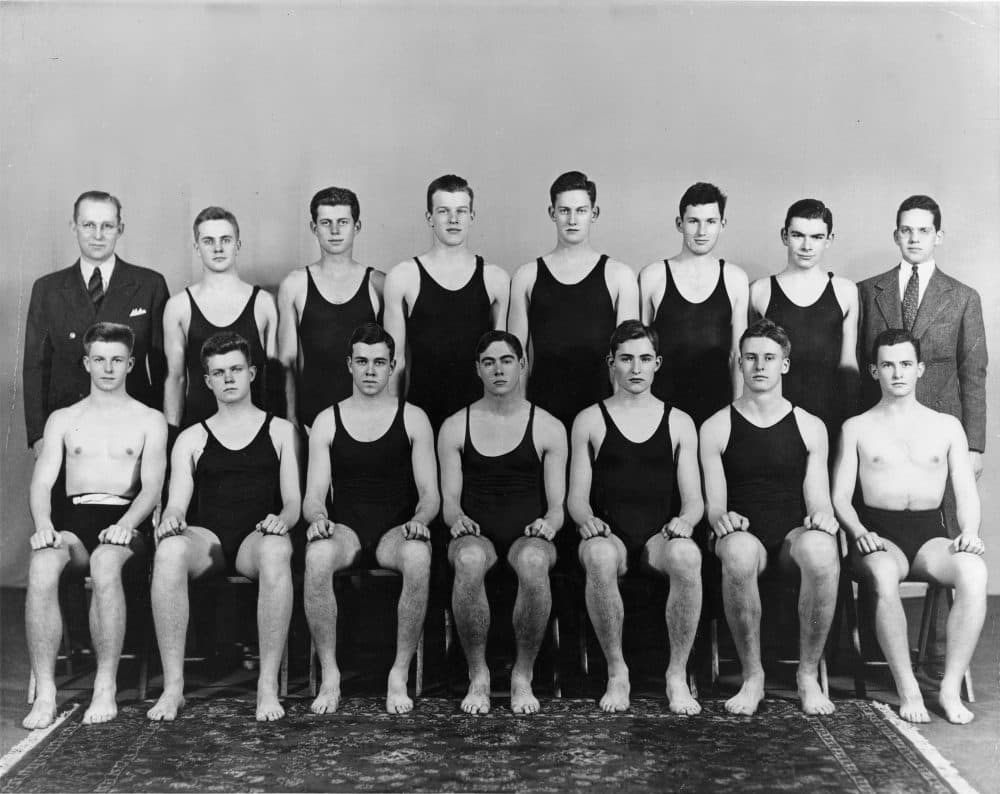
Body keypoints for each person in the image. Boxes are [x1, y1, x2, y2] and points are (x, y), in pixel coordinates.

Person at [833, 329, 986, 724]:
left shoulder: (947, 425)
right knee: (884, 575)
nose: (897, 373)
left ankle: (950, 689)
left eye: (905, 364)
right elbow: (838, 496)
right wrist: (857, 531)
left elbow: (965, 491)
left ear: (919, 369)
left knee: (974, 571)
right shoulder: (856, 427)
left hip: (929, 536)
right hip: (877, 537)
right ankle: (908, 688)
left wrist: (969, 531)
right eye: (887, 365)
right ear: (874, 371)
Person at [147, 332, 300, 723]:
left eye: (235, 369)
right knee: (168, 551)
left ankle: (266, 686)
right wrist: (172, 519)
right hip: (209, 540)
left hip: (256, 537)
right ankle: (173, 688)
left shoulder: (281, 430)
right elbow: (179, 501)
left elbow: (294, 502)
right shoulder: (191, 437)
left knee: (277, 548)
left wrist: (280, 521)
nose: (229, 378)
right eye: (219, 372)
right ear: (207, 380)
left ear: (250, 373)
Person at [23, 322, 166, 729]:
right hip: (74, 522)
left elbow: (152, 488)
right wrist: (45, 525)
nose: (108, 368)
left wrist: (126, 524)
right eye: (100, 359)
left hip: (125, 524)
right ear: (86, 362)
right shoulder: (63, 419)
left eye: (117, 360)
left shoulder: (149, 419)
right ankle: (46, 693)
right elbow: (42, 481)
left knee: (105, 563)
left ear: (130, 364)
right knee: (42, 564)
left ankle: (105, 685)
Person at [699, 318, 840, 716]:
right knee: (739, 551)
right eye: (750, 358)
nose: (759, 366)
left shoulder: (811, 426)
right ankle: (753, 676)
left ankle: (807, 675)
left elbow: (819, 502)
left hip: (790, 538)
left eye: (769, 358)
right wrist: (722, 518)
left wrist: (824, 521)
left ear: (785, 365)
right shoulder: (715, 426)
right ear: (739, 364)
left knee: (821, 548)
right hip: (744, 535)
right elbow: (714, 505)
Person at [302, 323, 439, 715]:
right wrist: (317, 518)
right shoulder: (327, 420)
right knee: (316, 556)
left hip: (395, 530)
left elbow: (430, 495)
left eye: (379, 362)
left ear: (393, 366)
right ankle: (330, 675)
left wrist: (420, 520)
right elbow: (314, 495)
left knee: (417, 556)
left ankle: (398, 673)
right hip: (345, 529)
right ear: (349, 365)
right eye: (362, 361)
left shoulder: (413, 418)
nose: (370, 370)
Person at [567, 321, 704, 714]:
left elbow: (694, 501)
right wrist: (586, 520)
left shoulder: (678, 421)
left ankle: (676, 675)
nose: (636, 368)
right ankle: (616, 671)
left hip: (659, 535)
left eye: (645, 359)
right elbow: (577, 499)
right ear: (611, 363)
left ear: (657, 363)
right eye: (626, 359)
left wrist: (686, 523)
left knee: (688, 556)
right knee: (598, 555)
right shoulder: (589, 420)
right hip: (610, 533)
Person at [438, 331, 568, 715]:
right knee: (469, 560)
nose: (498, 370)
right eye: (489, 362)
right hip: (475, 534)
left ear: (522, 365)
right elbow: (448, 502)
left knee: (532, 561)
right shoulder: (454, 426)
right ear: (477, 369)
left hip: (528, 534)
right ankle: (478, 675)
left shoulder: (547, 426)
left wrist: (548, 524)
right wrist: (457, 519)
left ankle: (522, 675)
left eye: (507, 360)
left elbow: (558, 508)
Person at [857, 195, 987, 512]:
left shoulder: (963, 297)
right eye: (907, 230)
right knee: (879, 526)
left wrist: (973, 445)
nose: (914, 239)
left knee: (947, 529)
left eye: (924, 231)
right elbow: (860, 367)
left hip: (940, 433)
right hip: (880, 432)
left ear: (938, 236)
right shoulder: (866, 291)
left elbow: (973, 375)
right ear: (896, 235)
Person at [24, 191, 168, 456]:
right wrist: (38, 436)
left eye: (107, 226)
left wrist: (162, 433)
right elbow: (35, 367)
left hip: (133, 430)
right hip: (69, 430)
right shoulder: (48, 289)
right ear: (74, 227)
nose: (98, 235)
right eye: (88, 225)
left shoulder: (150, 285)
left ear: (120, 229)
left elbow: (164, 368)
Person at [509, 171, 639, 429]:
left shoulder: (619, 276)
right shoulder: (527, 276)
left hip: (602, 408)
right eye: (564, 210)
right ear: (552, 213)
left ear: (595, 213)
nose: (572, 219)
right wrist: (520, 414)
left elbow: (628, 356)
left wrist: (619, 417)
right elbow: (515, 357)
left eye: (581, 210)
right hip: (542, 408)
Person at [382, 175, 509, 431]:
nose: (453, 219)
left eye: (461, 211)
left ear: (472, 217)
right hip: (422, 416)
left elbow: (503, 363)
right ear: (429, 217)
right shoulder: (403, 277)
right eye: (443, 211)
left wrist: (504, 420)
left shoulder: (495, 279)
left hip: (480, 419)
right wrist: (395, 423)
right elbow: (395, 361)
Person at [639, 182, 749, 427]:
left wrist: (737, 413)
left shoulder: (735, 279)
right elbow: (640, 353)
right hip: (662, 409)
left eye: (710, 221)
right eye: (693, 221)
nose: (702, 231)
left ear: (723, 225)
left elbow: (737, 355)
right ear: (679, 224)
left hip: (717, 408)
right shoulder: (653, 276)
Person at [750, 199, 859, 442]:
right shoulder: (759, 291)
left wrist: (849, 430)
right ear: (784, 236)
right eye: (798, 235)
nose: (807, 246)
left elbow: (849, 366)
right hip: (773, 416)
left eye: (817, 237)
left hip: (830, 415)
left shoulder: (845, 291)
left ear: (829, 239)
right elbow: (748, 363)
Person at [277, 186, 384, 431]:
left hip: (368, 419)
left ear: (357, 227)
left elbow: (395, 362)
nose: (335, 231)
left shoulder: (378, 284)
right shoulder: (295, 285)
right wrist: (292, 420)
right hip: (311, 419)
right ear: (313, 228)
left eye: (343, 222)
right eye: (326, 222)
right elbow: (288, 363)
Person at [163, 206, 278, 430]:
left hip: (254, 430)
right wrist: (172, 436)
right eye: (208, 241)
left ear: (238, 245)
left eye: (225, 239)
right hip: (199, 428)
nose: (217, 248)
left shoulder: (264, 303)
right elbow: (175, 379)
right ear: (197, 247)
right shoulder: (178, 307)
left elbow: (275, 379)